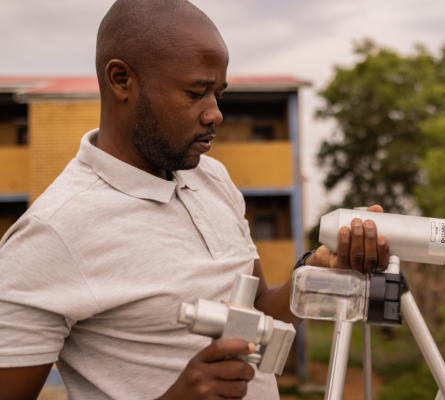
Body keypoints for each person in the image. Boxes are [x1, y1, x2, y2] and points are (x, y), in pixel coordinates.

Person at [0, 1, 390, 399]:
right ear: (121, 80)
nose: (215, 114)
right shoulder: (52, 235)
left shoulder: (211, 178)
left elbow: (253, 311)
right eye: (195, 92)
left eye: (217, 94)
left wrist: (315, 272)